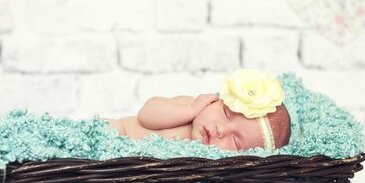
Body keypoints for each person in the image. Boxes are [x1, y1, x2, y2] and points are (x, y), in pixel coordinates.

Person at [103, 69, 292, 151]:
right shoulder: (188, 106)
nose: (221, 130)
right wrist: (190, 110)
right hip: (118, 136)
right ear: (214, 101)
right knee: (112, 128)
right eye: (226, 114)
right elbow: (145, 114)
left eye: (235, 141)